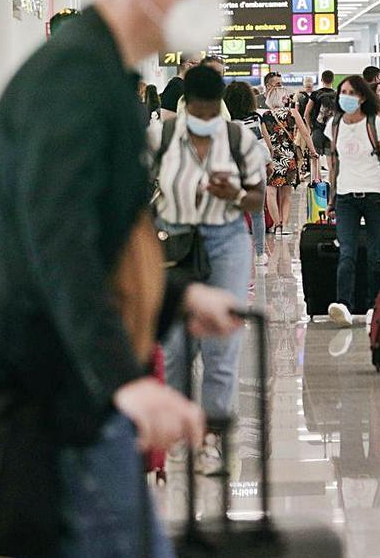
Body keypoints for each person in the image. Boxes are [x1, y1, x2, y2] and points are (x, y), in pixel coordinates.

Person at [0, 0, 242, 556]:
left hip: (81, 389)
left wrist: (176, 298)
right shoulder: (72, 79)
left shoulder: (101, 73)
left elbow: (101, 238)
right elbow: (57, 246)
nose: (203, 0)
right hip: (62, 401)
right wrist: (127, 378)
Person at [150, 65, 266, 475]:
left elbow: (257, 198)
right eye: (197, 110)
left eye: (210, 109)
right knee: (176, 344)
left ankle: (212, 437)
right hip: (173, 242)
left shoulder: (239, 139)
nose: (204, 118)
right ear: (186, 105)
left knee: (222, 339)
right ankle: (181, 431)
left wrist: (234, 193)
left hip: (227, 239)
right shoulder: (161, 138)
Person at [324, 75, 380, 327]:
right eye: (342, 92)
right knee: (346, 251)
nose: (345, 96)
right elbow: (333, 163)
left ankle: (373, 305)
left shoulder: (374, 123)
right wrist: (332, 198)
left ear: (361, 97)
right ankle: (343, 305)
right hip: (346, 196)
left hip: (375, 194)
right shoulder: (334, 125)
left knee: (375, 253)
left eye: (351, 92)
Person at [226, 81, 274, 266]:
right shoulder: (255, 118)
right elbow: (264, 143)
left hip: (234, 169)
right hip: (256, 168)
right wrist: (269, 163)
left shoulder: (226, 121)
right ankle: (260, 254)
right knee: (257, 214)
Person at [263, 84, 316, 234]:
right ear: (282, 98)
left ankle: (276, 224)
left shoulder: (265, 115)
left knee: (271, 193)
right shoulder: (292, 113)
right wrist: (313, 151)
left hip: (271, 157)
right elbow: (305, 133)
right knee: (286, 194)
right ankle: (284, 226)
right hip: (288, 157)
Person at [305, 70, 339, 155]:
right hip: (332, 129)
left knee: (315, 157)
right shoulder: (337, 95)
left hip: (317, 129)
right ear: (333, 80)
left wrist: (310, 128)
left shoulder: (315, 94)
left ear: (321, 80)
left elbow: (306, 113)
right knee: (330, 156)